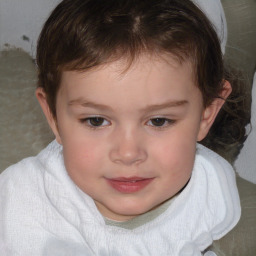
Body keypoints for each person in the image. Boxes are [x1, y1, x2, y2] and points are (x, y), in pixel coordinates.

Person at [0, 0, 250, 255]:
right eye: (96, 121)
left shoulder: (207, 195)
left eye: (159, 121)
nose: (128, 153)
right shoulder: (22, 203)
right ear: (53, 116)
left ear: (207, 114)